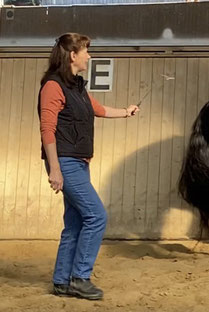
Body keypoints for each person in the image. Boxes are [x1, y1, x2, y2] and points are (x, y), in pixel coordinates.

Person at [38, 33, 140, 300]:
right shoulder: (53, 86)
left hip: (79, 162)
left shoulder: (76, 87)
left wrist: (125, 112)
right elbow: (47, 129)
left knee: (74, 223)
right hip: (66, 163)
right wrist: (55, 169)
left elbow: (98, 109)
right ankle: (80, 278)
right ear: (73, 55)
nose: (89, 56)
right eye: (86, 51)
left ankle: (61, 281)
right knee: (96, 217)